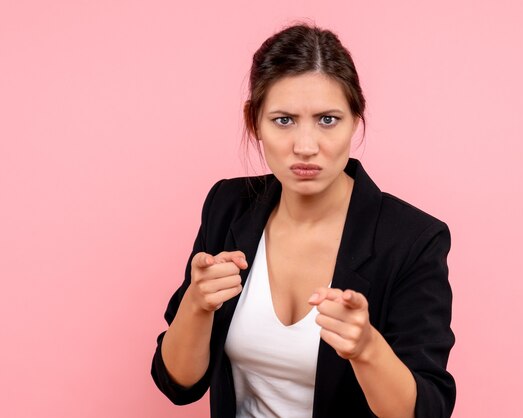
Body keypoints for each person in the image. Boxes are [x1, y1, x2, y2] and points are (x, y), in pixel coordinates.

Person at [151, 23, 455, 418]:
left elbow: (428, 410)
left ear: (355, 121)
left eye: (328, 119)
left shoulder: (414, 239)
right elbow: (178, 384)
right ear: (254, 123)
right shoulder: (228, 205)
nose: (306, 147)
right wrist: (196, 304)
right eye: (283, 120)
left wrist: (366, 349)